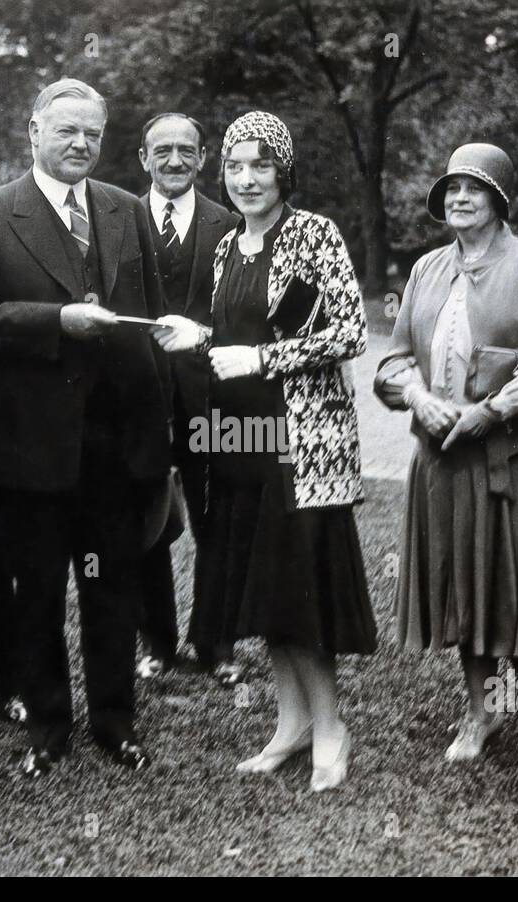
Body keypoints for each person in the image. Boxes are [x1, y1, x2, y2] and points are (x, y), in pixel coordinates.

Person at [0, 78, 171, 778]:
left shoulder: (126, 209)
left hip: (114, 449)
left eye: (92, 134)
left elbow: (150, 317)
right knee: (37, 592)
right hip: (30, 447)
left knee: (112, 590)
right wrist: (57, 322)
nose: (80, 145)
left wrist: (158, 429)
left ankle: (114, 722)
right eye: (67, 131)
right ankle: (47, 725)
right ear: (34, 132)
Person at [154, 111, 376, 792]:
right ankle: (290, 727)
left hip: (301, 450)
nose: (247, 180)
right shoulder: (227, 245)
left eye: (261, 166)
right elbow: (236, 329)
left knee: (301, 596)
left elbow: (350, 331)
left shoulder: (314, 235)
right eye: (236, 167)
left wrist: (263, 357)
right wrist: (199, 333)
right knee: (267, 597)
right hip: (240, 443)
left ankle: (332, 730)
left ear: (284, 170)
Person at [375, 143, 518, 771]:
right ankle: (479, 711)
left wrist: (491, 410)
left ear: (499, 199)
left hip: (514, 460)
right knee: (464, 585)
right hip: (443, 461)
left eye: (474, 188)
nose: (460, 199)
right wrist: (417, 394)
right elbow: (392, 360)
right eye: (451, 190)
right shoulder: (427, 270)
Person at [135, 111, 242, 687]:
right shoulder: (119, 221)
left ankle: (216, 643)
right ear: (144, 159)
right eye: (163, 150)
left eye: (187, 150)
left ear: (203, 159)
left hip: (215, 401)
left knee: (216, 522)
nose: (174, 161)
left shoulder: (231, 226)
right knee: (147, 524)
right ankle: (155, 643)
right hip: (141, 401)